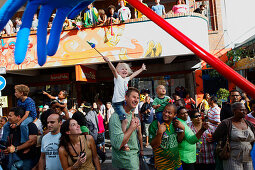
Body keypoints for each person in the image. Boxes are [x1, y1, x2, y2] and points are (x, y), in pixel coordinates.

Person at [102, 55, 146, 151]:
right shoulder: (117, 78)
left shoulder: (126, 79)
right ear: (118, 72)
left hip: (124, 102)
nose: (125, 71)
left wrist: (142, 69)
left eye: (126, 69)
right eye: (122, 69)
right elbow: (113, 70)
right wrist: (108, 61)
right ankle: (124, 140)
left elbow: (134, 75)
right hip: (117, 103)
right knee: (125, 120)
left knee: (132, 110)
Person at [213, 102, 255, 170]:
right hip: (232, 157)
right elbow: (215, 136)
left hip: (248, 157)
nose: (244, 112)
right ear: (234, 111)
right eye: (241, 110)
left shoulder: (249, 124)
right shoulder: (226, 123)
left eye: (245, 110)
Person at [109, 87, 141, 169]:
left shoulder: (131, 114)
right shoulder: (116, 117)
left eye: (138, 98)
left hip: (133, 159)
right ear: (125, 98)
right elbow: (118, 144)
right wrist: (131, 128)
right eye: (134, 97)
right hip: (125, 163)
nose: (136, 100)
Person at [149, 103, 184, 170]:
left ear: (174, 115)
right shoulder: (155, 125)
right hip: (162, 166)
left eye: (169, 113)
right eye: (165, 111)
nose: (166, 114)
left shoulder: (175, 124)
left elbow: (179, 140)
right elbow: (153, 145)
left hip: (177, 164)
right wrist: (159, 133)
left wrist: (183, 129)